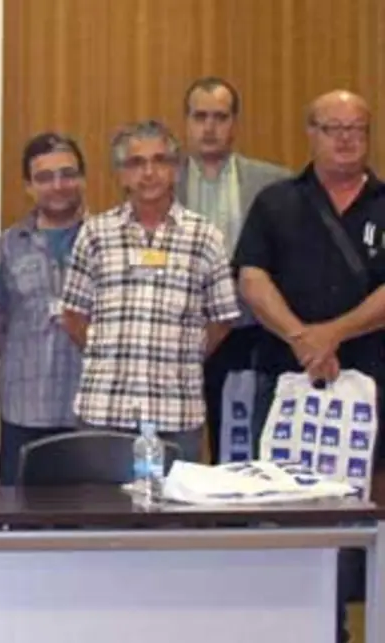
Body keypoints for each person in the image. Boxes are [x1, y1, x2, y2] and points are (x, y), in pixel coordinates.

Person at [233, 89, 383, 643]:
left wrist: (332, 335)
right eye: (332, 127)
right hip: (288, 382)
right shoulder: (277, 202)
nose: (345, 138)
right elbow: (251, 278)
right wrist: (302, 338)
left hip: (369, 386)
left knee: (359, 516)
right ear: (311, 133)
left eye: (357, 128)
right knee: (287, 513)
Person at [61, 120, 238, 462]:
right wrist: (108, 352)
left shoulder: (205, 237)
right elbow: (73, 315)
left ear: (176, 170)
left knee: (173, 499)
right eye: (136, 163)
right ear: (121, 175)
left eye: (160, 161)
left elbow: (222, 319)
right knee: (99, 499)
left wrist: (181, 355)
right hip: (104, 409)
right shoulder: (95, 234)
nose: (148, 172)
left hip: (176, 414)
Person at [176, 77, 290, 462]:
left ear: (235, 123)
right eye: (200, 117)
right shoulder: (162, 181)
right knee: (181, 443)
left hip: (249, 331)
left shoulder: (273, 183)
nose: (209, 127)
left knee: (240, 442)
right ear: (186, 122)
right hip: (183, 332)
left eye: (220, 117)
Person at [0, 133, 87, 485]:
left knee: (89, 515)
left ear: (82, 178)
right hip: (24, 408)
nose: (58, 185)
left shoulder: (106, 241)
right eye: (44, 177)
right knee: (17, 512)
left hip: (88, 410)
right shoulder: (8, 245)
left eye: (67, 174)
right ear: (28, 186)